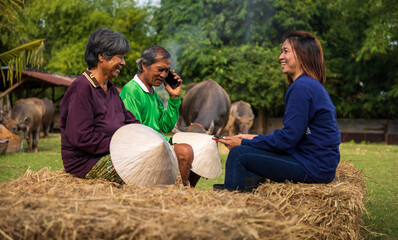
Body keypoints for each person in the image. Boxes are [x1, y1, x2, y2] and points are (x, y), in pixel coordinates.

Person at [215, 31, 341, 191]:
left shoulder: (301, 88)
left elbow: (287, 140)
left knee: (238, 154)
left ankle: (231, 211)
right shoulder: (310, 85)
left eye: (286, 51)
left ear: (302, 55)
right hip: (318, 164)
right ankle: (251, 203)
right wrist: (252, 138)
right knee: (249, 150)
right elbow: (295, 135)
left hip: (312, 167)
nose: (280, 56)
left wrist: (244, 142)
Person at [60, 28, 139, 184]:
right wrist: (121, 145)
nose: (123, 63)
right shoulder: (81, 89)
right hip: (86, 163)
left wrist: (148, 138)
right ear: (101, 56)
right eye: (120, 57)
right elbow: (82, 138)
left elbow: (130, 122)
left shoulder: (110, 89)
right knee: (144, 165)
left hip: (111, 153)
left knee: (164, 158)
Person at [120, 46, 200, 187]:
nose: (164, 75)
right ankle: (177, 194)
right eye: (160, 70)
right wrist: (167, 143)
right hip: (142, 148)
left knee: (201, 147)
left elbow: (166, 126)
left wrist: (174, 97)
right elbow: (135, 132)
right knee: (185, 151)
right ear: (144, 65)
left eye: (167, 71)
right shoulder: (132, 90)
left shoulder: (152, 92)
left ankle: (187, 190)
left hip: (156, 143)